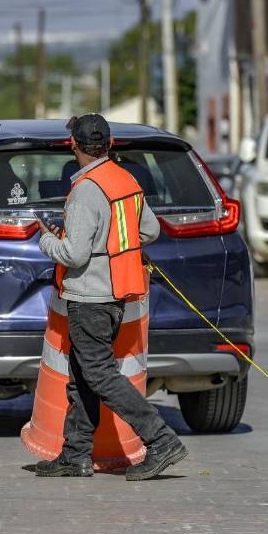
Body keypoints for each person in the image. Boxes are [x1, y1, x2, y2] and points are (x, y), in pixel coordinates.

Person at [35, 112, 187, 481]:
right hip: (118, 293)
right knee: (82, 376)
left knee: (99, 375)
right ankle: (76, 454)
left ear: (73, 145)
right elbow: (148, 231)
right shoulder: (125, 180)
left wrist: (46, 240)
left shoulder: (86, 190)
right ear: (110, 145)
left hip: (89, 296)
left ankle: (161, 439)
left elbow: (74, 255)